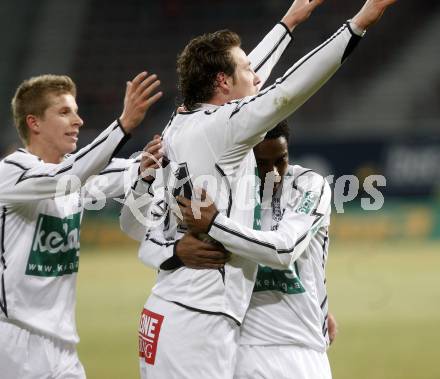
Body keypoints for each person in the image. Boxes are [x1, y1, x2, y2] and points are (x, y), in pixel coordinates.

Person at [121, 1, 397, 377]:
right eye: (247, 69)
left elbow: (250, 80)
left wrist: (290, 22)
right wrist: (360, 23)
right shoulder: (223, 128)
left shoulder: (183, 120)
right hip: (196, 319)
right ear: (221, 82)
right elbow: (287, 91)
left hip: (173, 309)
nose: (256, 75)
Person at [0, 71, 162, 379]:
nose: (78, 121)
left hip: (63, 345)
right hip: (14, 342)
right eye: (64, 112)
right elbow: (66, 177)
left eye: (75, 111)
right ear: (34, 123)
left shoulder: (78, 177)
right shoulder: (11, 172)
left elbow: (124, 172)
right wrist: (123, 125)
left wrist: (157, 157)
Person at [178, 122, 336, 378]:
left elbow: (285, 250)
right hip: (241, 347)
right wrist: (176, 250)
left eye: (281, 160)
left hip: (303, 349)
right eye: (262, 164)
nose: (273, 172)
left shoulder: (309, 185)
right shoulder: (224, 192)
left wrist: (215, 224)